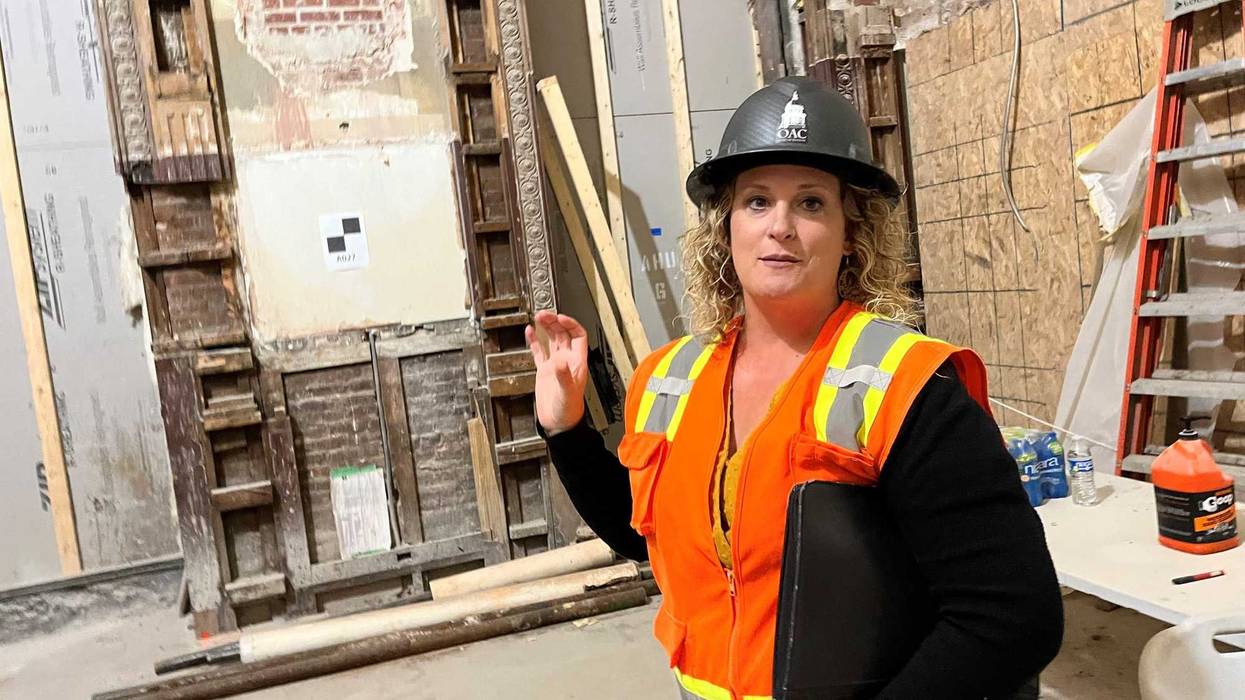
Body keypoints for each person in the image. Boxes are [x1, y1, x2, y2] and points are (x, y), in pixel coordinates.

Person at [525, 76, 1063, 699]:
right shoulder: (669, 378)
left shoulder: (904, 386)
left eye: (810, 203)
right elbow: (644, 534)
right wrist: (567, 432)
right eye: (757, 201)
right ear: (725, 229)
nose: (780, 225)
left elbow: (1010, 616)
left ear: (848, 233)